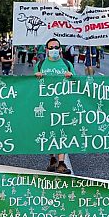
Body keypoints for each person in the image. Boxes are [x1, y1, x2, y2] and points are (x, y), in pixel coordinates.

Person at [35, 38, 75, 174]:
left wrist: (71, 76)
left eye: (56, 47)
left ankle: (62, 163)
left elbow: (77, 84)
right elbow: (32, 86)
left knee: (63, 132)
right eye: (50, 47)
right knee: (49, 132)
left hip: (64, 104)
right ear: (46, 50)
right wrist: (36, 76)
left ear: (60, 49)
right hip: (46, 104)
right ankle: (52, 159)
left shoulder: (67, 64)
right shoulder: (40, 65)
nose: (53, 50)